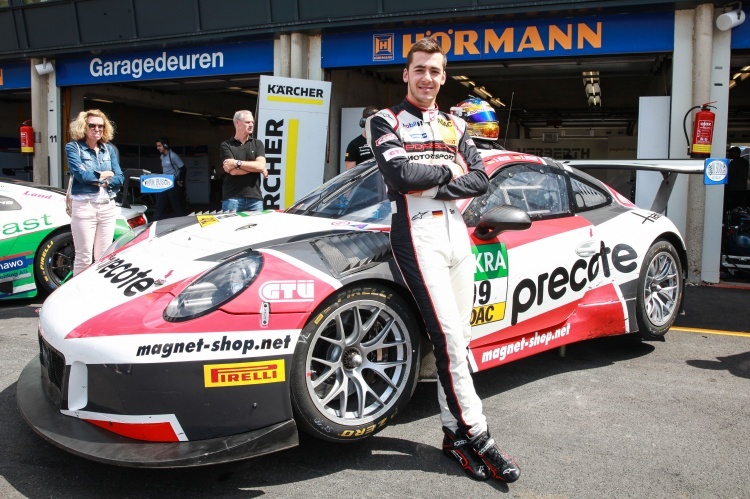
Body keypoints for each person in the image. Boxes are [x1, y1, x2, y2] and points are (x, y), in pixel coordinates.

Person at [367, 37, 520, 483]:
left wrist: (430, 180)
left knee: (460, 339)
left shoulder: (456, 123)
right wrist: (447, 172)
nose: (427, 78)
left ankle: (453, 436)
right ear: (406, 73)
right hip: (416, 234)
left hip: (457, 233)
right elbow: (399, 175)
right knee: (450, 339)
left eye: (435, 71)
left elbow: (480, 180)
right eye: (420, 69)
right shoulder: (383, 120)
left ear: (443, 76)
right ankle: (479, 433)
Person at [65, 109, 124, 276]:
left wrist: (98, 177)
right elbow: (82, 176)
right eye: (92, 125)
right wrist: (106, 175)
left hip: (107, 207)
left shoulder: (109, 149)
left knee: (103, 257)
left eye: (101, 126)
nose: (97, 129)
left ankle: (98, 296)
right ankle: (78, 296)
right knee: (83, 257)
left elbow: (119, 177)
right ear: (84, 127)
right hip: (85, 207)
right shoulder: (73, 148)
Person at [220, 110, 268, 212]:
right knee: (230, 227)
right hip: (232, 199)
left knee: (257, 227)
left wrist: (237, 163)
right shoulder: (226, 145)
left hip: (255, 199)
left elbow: (260, 165)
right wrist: (256, 168)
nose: (251, 125)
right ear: (237, 123)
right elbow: (233, 171)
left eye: (252, 122)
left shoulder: (257, 144)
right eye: (247, 122)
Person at [153, 137, 186, 220]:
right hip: (165, 183)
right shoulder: (162, 157)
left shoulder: (173, 156)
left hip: (173, 183)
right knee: (159, 205)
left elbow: (183, 168)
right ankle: (153, 223)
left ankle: (184, 222)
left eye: (159, 146)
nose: (157, 148)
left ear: (165, 145)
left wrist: (181, 181)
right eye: (157, 146)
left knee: (176, 206)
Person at [725, 146, 749, 211]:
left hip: (734, 189)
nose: (729, 154)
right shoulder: (744, 162)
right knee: (739, 206)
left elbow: (727, 173)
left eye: (730, 152)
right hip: (742, 188)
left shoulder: (735, 163)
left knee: (732, 206)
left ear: (735, 153)